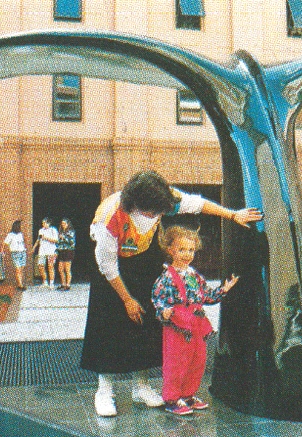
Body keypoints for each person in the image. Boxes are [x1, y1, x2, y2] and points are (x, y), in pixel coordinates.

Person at [80, 170, 262, 417]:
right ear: (135, 205)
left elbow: (198, 204)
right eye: (150, 213)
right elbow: (107, 265)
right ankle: (104, 391)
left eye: (159, 213)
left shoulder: (164, 198)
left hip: (144, 259)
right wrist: (126, 299)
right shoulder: (109, 217)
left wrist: (232, 214)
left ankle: (141, 386)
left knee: (149, 321)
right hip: (113, 267)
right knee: (110, 325)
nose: (155, 216)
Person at [152, 225, 238, 415]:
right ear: (170, 250)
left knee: (197, 359)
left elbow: (206, 296)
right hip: (178, 324)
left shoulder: (193, 275)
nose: (187, 254)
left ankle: (188, 394)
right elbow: (158, 298)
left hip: (196, 323)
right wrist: (164, 312)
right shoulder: (167, 276)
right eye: (182, 249)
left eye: (190, 250)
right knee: (176, 362)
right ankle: (172, 398)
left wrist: (224, 290)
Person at [32, 217, 58, 289]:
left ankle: (51, 283)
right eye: (42, 223)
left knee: (51, 266)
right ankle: (45, 281)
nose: (43, 224)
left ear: (48, 223)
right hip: (42, 251)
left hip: (51, 251)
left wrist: (46, 238)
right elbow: (38, 239)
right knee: (40, 266)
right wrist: (34, 247)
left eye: (44, 223)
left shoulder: (53, 230)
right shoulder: (41, 230)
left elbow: (56, 240)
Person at [2, 220, 28, 291]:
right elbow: (5, 243)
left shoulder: (20, 234)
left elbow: (23, 242)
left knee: (21, 269)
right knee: (18, 269)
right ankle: (20, 285)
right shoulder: (10, 235)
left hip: (22, 252)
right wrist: (3, 251)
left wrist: (25, 248)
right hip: (15, 253)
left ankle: (20, 283)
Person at [56, 218, 76, 291]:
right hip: (61, 251)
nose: (63, 225)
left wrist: (64, 238)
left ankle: (68, 285)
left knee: (67, 269)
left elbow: (72, 242)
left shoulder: (71, 232)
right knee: (60, 269)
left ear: (68, 224)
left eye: (64, 224)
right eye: (62, 224)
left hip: (68, 251)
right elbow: (58, 242)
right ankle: (63, 284)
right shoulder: (60, 232)